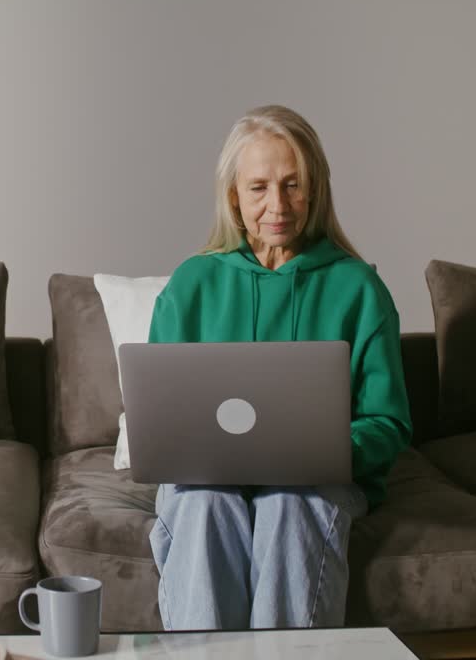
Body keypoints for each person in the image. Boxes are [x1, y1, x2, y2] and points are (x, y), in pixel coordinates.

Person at [147, 104, 412, 630]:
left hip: (319, 482)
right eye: (259, 187)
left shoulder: (359, 288)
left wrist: (325, 453)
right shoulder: (191, 284)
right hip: (205, 482)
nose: (278, 205)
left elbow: (388, 421)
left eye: (294, 185)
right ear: (233, 196)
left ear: (315, 190)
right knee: (205, 505)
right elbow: (158, 414)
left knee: (290, 502)